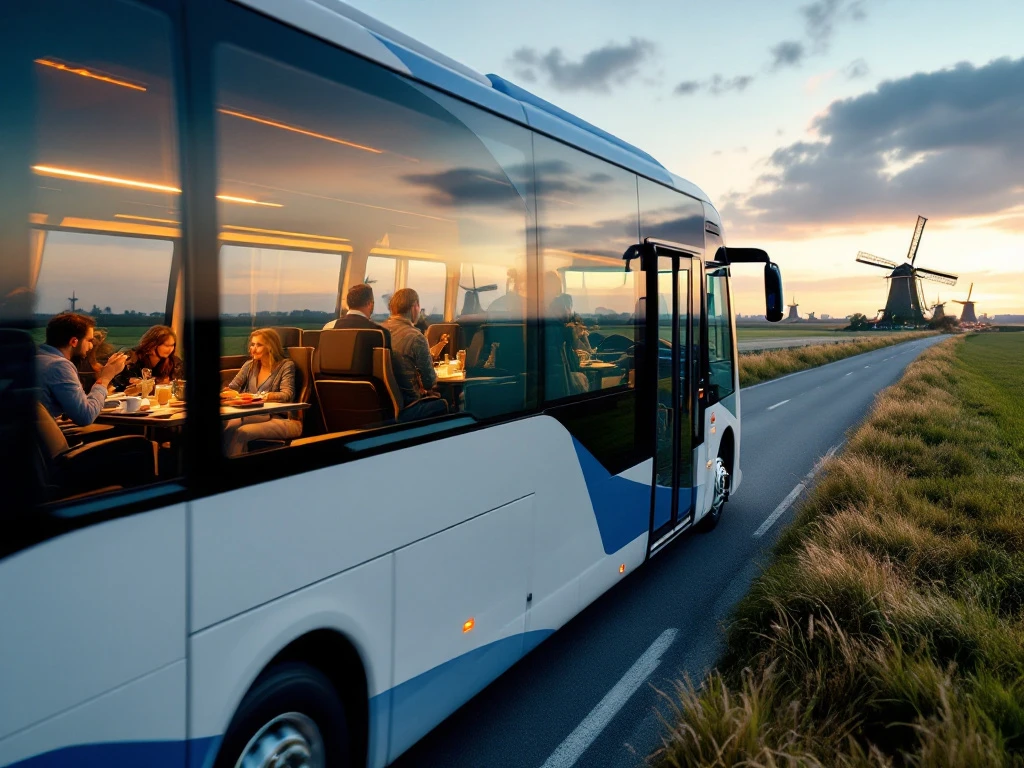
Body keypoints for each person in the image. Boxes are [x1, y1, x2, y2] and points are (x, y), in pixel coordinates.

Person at [221, 328, 302, 456]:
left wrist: (257, 397)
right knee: (228, 424)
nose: (253, 349)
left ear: (270, 347)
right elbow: (233, 387)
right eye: (252, 344)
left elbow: (287, 395)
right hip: (254, 413)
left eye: (259, 345)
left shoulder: (286, 365)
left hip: (279, 417)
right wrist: (226, 393)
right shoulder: (249, 365)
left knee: (240, 431)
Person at [36, 312, 127, 426]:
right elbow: (85, 417)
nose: (91, 346)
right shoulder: (59, 366)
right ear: (74, 341)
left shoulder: (35, 358)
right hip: (45, 435)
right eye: (89, 340)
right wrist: (105, 378)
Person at [382, 288, 450, 422]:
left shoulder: (378, 331)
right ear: (414, 307)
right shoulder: (416, 337)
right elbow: (429, 382)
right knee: (446, 401)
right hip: (408, 406)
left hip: (384, 407)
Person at [111, 325, 183, 391]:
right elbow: (117, 381)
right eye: (166, 345)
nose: (170, 349)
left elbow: (179, 384)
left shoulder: (174, 363)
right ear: (152, 344)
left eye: (172, 345)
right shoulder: (132, 359)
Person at [322, 284, 392, 347]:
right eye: (373, 302)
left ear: (348, 303)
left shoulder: (328, 328)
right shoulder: (380, 333)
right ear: (369, 304)